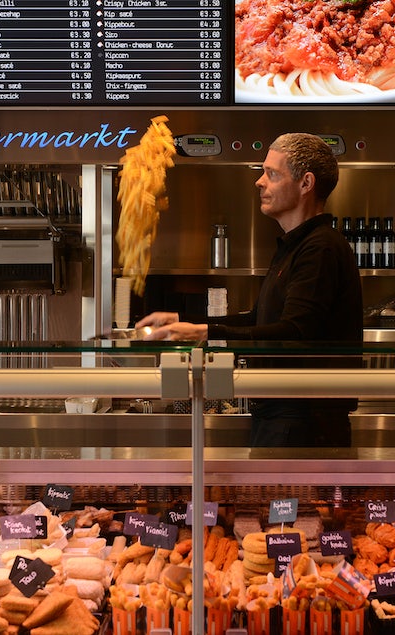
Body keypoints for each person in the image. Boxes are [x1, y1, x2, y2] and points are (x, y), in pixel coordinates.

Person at [135, 132, 363, 447]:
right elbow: (259, 319)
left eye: (271, 173)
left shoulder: (320, 248)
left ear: (305, 183)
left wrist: (203, 333)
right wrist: (181, 319)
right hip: (282, 414)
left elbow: (293, 333)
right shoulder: (295, 246)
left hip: (302, 421)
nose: (259, 182)